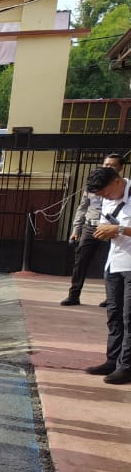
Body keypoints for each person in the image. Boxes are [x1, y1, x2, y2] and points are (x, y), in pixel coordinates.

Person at [89, 165, 131, 385]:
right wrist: (105, 231)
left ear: (117, 181)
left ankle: (126, 367)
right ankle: (113, 360)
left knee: (129, 317)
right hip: (114, 263)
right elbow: (108, 224)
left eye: (106, 193)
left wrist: (119, 229)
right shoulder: (108, 199)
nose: (105, 197)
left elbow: (120, 229)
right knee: (114, 315)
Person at [63, 153, 123, 306]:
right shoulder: (93, 184)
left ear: (120, 168)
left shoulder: (120, 187)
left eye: (113, 165)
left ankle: (110, 297)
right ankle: (73, 295)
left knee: (110, 263)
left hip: (110, 229)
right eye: (106, 164)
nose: (108, 167)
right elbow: (82, 208)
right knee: (80, 261)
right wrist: (76, 229)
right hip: (90, 227)